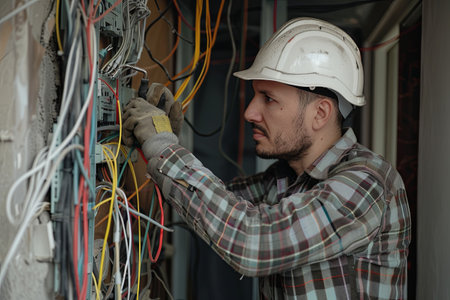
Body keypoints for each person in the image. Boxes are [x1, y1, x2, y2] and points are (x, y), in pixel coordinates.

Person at [123, 18, 411, 299]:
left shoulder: (369, 182)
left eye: (268, 98)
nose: (249, 112)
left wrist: (163, 147)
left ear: (320, 113)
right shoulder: (285, 178)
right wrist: (168, 140)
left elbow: (252, 242)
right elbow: (216, 208)